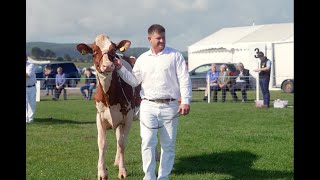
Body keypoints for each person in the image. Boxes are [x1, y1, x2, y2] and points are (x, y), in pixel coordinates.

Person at [114, 24, 192, 180]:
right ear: (149, 39)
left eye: (163, 37)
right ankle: (148, 177)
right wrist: (120, 68)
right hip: (147, 105)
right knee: (148, 142)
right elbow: (134, 81)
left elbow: (184, 79)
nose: (162, 41)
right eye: (158, 38)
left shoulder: (175, 56)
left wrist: (186, 101)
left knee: (168, 145)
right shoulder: (143, 59)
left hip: (170, 106)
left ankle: (163, 177)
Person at [26, 55, 37, 124]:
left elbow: (28, 75)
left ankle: (30, 118)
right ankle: (26, 119)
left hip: (32, 87)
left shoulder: (31, 65)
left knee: (32, 104)